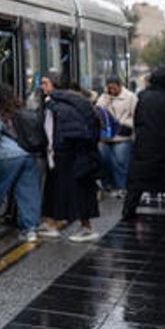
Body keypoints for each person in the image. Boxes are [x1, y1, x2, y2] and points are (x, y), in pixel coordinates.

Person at [121, 64, 165, 221]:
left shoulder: (143, 97)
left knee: (137, 184)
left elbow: (137, 120)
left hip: (144, 149)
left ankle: (129, 210)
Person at [37, 74, 102, 243]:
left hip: (68, 155)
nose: (42, 86)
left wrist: (54, 151)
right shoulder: (72, 101)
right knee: (56, 189)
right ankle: (51, 223)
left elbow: (55, 132)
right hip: (70, 154)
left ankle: (86, 228)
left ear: (55, 85)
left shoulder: (56, 104)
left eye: (45, 83)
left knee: (74, 191)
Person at [0, 83, 43, 242]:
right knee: (28, 193)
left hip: (6, 157)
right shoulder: (19, 109)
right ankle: (30, 229)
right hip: (26, 154)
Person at [96, 75, 137, 196]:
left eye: (114, 88)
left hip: (122, 135)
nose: (112, 91)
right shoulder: (104, 97)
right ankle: (108, 185)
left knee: (120, 162)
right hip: (106, 137)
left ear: (120, 86)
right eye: (109, 88)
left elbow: (136, 115)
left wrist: (128, 125)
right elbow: (98, 112)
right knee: (104, 160)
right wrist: (107, 99)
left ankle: (121, 186)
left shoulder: (130, 97)